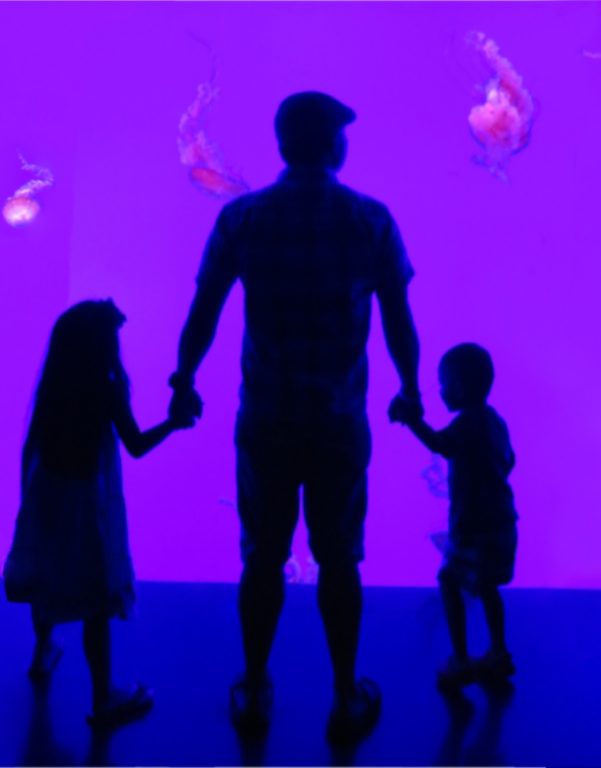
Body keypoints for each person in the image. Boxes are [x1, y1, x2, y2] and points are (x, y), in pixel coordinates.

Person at [168, 91, 422, 743]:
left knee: (261, 557)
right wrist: (412, 388)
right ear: (335, 145)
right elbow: (397, 317)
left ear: (283, 143)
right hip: (339, 420)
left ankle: (253, 687)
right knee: (340, 559)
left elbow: (205, 309)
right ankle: (344, 695)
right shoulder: (371, 219)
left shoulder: (244, 218)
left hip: (267, 417)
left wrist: (184, 380)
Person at [4, 299, 194, 728]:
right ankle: (104, 696)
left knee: (46, 574)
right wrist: (174, 423)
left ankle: (41, 653)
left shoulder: (56, 384)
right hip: (86, 501)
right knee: (95, 598)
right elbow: (136, 445)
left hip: (49, 493)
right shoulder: (106, 384)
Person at [389, 343, 517, 690]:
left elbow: (438, 444)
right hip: (503, 523)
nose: (441, 390)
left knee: (449, 582)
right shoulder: (495, 421)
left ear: (461, 385)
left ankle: (460, 659)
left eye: (444, 383)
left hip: (474, 527)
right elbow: (510, 461)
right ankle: (499, 653)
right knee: (489, 588)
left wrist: (410, 418)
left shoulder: (467, 423)